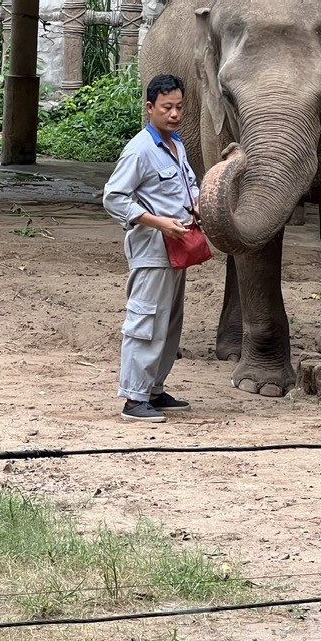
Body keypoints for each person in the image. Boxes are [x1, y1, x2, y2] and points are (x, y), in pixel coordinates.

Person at [103, 74, 200, 423]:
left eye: (179, 107)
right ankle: (133, 398)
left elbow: (188, 187)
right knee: (146, 320)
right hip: (152, 249)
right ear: (149, 108)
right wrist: (160, 223)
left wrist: (200, 206)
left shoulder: (177, 144)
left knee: (169, 322)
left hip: (179, 247)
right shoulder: (139, 149)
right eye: (167, 108)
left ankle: (154, 389)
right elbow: (114, 197)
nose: (174, 115)